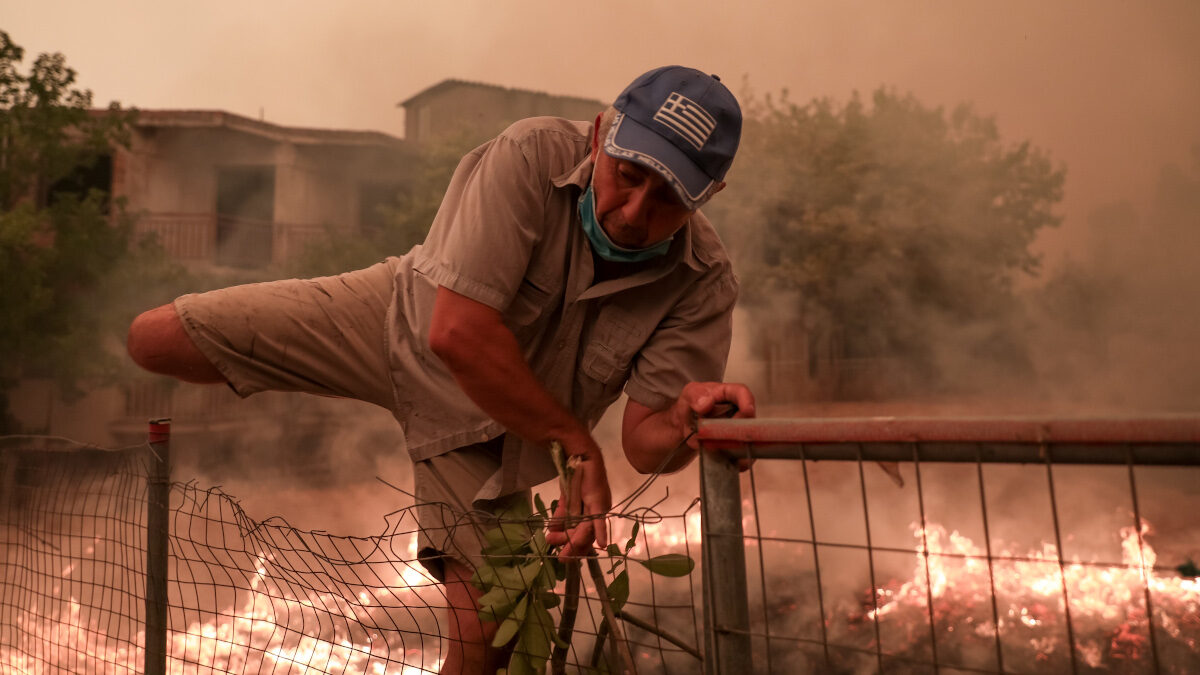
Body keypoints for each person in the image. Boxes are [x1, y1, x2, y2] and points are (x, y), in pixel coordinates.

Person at [126, 64, 756, 673]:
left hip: (495, 438)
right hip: (397, 319)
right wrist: (575, 445)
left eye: (668, 196)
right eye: (627, 174)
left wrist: (684, 419)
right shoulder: (530, 155)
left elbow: (646, 448)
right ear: (599, 135)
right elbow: (456, 332)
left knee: (487, 637)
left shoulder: (701, 283)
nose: (634, 210)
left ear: (708, 197)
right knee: (154, 339)